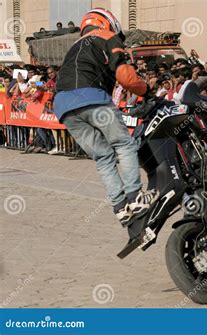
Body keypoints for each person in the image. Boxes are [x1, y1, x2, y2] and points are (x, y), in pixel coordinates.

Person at [53, 8, 158, 228]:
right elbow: (125, 76)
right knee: (124, 144)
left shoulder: (74, 46)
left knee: (102, 157)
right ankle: (135, 197)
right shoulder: (107, 36)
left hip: (63, 105)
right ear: (109, 23)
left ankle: (121, 208)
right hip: (91, 96)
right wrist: (146, 91)